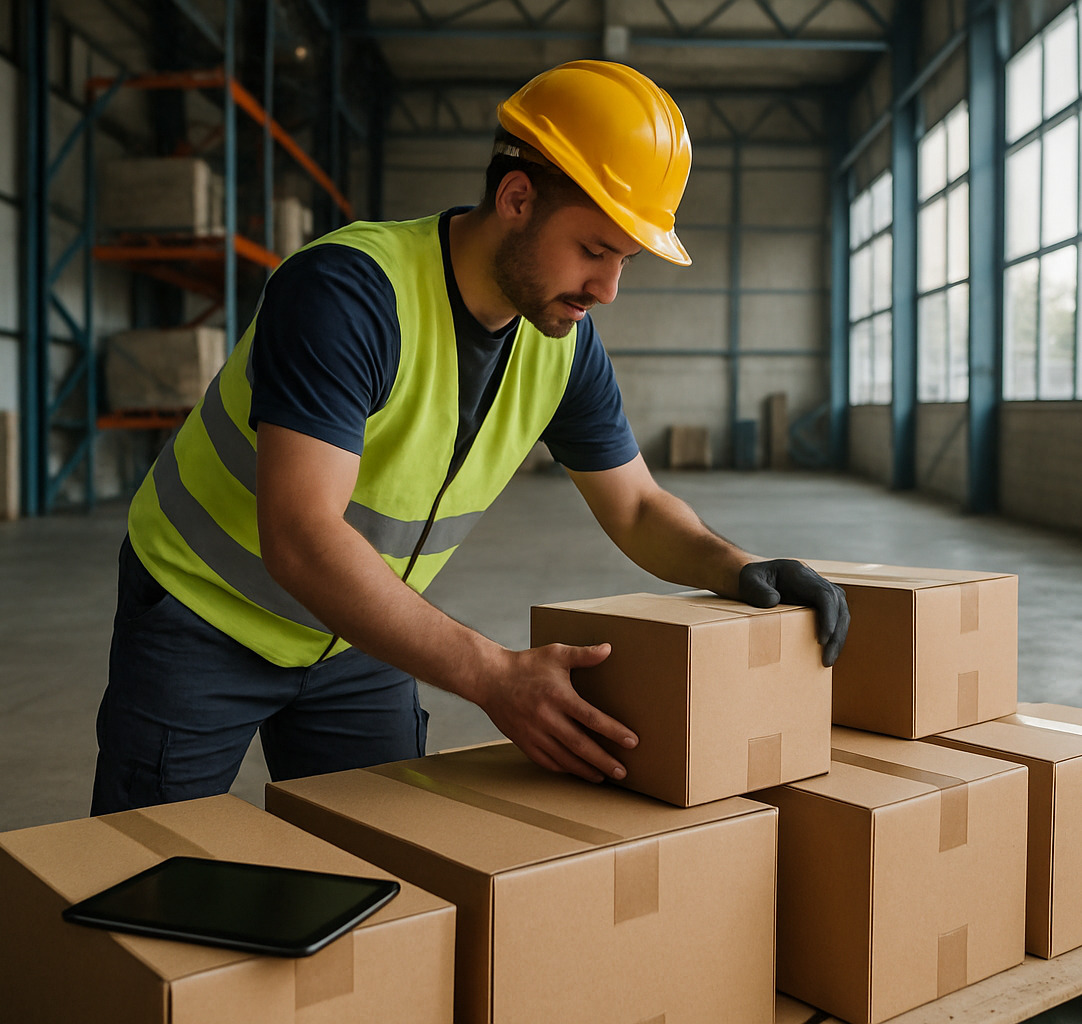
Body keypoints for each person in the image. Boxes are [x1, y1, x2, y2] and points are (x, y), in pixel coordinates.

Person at [91, 60, 849, 816]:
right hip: (202, 618)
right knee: (146, 879)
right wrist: (491, 675)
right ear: (516, 198)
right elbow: (300, 536)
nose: (609, 289)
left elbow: (638, 507)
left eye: (626, 260)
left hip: (356, 632)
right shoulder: (348, 295)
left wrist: (742, 568)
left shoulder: (563, 344)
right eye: (594, 250)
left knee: (384, 880)